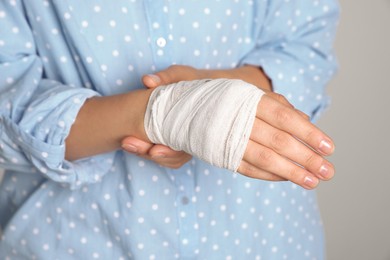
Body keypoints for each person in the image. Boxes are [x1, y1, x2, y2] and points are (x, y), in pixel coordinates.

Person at [0, 0, 339, 259]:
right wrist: (161, 114)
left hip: (261, 236)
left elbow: (304, 47)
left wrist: (206, 104)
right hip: (75, 240)